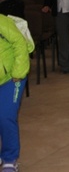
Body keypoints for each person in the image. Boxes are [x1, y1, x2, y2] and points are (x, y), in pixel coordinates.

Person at [0, 14, 34, 172]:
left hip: (12, 77)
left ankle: (10, 158)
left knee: (5, 116)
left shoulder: (2, 22)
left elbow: (19, 43)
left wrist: (18, 73)